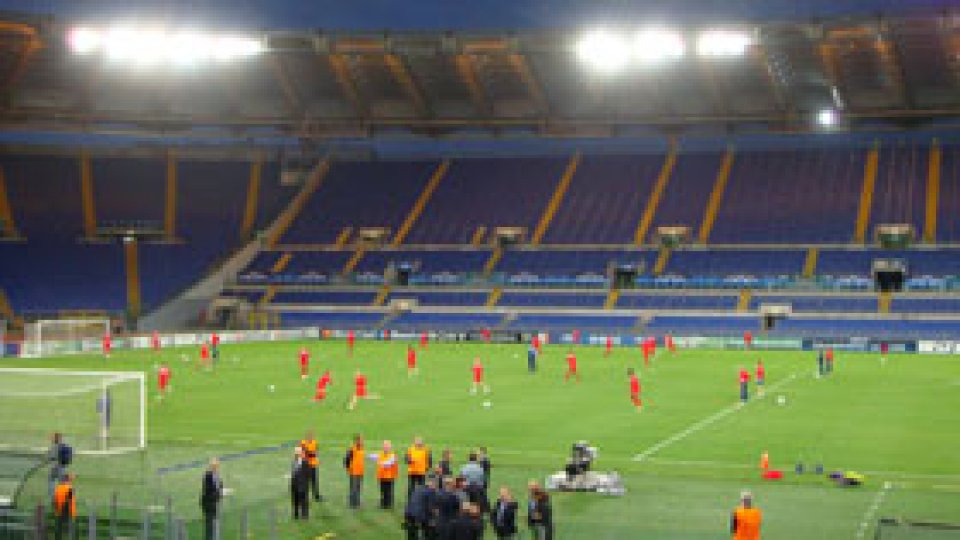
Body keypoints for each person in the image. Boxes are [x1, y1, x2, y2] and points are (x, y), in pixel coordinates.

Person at [200, 458, 223, 540]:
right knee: (210, 527)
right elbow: (208, 491)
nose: (216, 468)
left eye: (217, 466)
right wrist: (220, 493)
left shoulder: (217, 476)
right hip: (209, 505)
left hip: (215, 504)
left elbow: (219, 488)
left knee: (215, 526)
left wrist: (221, 492)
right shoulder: (208, 476)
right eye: (214, 466)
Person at [373, 440, 399, 509]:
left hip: (390, 476)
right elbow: (374, 456)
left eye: (387, 446)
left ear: (390, 447)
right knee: (383, 490)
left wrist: (380, 463)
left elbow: (388, 463)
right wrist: (365, 455)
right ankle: (383, 503)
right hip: (382, 476)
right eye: (384, 446)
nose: (385, 448)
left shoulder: (393, 455)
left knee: (389, 490)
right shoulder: (380, 454)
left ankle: (388, 504)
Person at [52, 473, 76, 540]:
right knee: (71, 531)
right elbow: (70, 500)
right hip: (69, 512)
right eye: (70, 480)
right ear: (68, 480)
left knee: (58, 530)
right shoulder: (70, 489)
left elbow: (55, 501)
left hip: (59, 512)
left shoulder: (58, 488)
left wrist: (57, 510)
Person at [344, 435, 365, 508]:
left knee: (358, 487)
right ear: (356, 441)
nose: (362, 442)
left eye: (362, 440)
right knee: (354, 488)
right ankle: (353, 503)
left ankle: (357, 502)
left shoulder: (362, 449)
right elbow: (346, 459)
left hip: (360, 472)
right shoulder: (352, 450)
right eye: (361, 440)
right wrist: (348, 468)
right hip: (354, 472)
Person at [300, 431, 322, 502]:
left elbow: (316, 452)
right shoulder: (303, 443)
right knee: (305, 481)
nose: (311, 437)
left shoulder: (314, 443)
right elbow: (304, 453)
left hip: (313, 465)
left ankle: (316, 496)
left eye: (312, 436)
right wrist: (311, 454)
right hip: (306, 465)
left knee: (314, 481)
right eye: (309, 436)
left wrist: (317, 459)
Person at [290, 447, 310, 520]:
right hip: (294, 484)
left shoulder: (305, 462)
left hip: (302, 484)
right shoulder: (294, 462)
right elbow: (293, 472)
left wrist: (304, 483)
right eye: (295, 452)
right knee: (295, 499)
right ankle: (296, 514)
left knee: (304, 500)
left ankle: (304, 515)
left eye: (298, 452)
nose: (296, 454)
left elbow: (308, 474)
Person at [48, 432, 69, 498]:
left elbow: (50, 457)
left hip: (55, 467)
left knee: (51, 481)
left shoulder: (54, 446)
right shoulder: (64, 446)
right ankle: (62, 497)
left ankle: (54, 497)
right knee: (62, 483)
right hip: (63, 467)